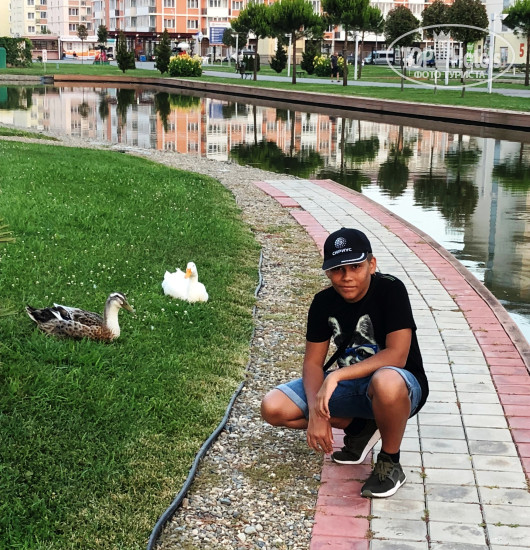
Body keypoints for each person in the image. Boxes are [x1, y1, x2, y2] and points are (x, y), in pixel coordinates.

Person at [261, 227, 429, 498]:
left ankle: (390, 461)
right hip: (355, 386)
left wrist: (336, 376)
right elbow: (313, 364)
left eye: (355, 267)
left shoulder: (391, 289)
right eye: (338, 269)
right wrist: (316, 413)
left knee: (385, 380)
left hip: (401, 387)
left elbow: (397, 355)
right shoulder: (322, 302)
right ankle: (359, 428)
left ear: (371, 265)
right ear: (328, 272)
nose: (347, 276)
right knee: (274, 408)